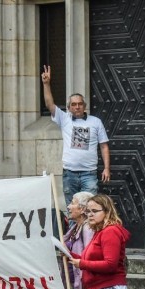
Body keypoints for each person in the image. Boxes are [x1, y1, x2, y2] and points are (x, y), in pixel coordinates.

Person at [41, 65, 110, 206]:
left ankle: (87, 230)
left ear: (84, 106)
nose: (77, 107)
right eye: (74, 104)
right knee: (72, 210)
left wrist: (107, 168)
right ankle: (73, 229)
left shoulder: (95, 122)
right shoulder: (64, 119)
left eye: (80, 104)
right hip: (69, 173)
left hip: (89, 174)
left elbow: (104, 146)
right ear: (69, 107)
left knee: (89, 208)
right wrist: (46, 84)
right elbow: (49, 104)